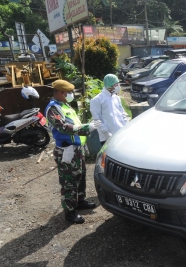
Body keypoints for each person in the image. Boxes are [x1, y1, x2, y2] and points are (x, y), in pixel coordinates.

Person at [45, 80, 99, 224]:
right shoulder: (53, 109)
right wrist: (87, 128)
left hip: (76, 149)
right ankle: (69, 212)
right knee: (69, 182)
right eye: (69, 92)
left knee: (80, 177)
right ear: (61, 93)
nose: (71, 95)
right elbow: (62, 127)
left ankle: (79, 201)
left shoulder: (64, 105)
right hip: (66, 151)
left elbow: (74, 123)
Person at [90, 74, 129, 146]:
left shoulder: (116, 98)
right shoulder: (97, 100)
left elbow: (122, 114)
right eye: (117, 84)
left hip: (120, 134)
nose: (119, 86)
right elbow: (96, 119)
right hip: (107, 138)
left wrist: (127, 127)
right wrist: (107, 134)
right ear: (111, 85)